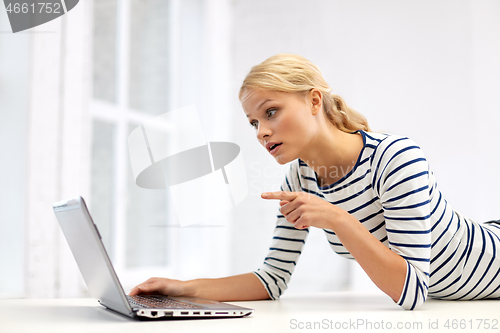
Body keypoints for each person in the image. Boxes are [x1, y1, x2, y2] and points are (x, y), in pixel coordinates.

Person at [129, 53, 500, 310]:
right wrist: (182, 289)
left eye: (271, 111)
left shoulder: (395, 158)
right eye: (254, 122)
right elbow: (272, 279)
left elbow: (414, 291)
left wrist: (337, 218)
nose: (261, 132)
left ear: (314, 100)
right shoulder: (300, 176)